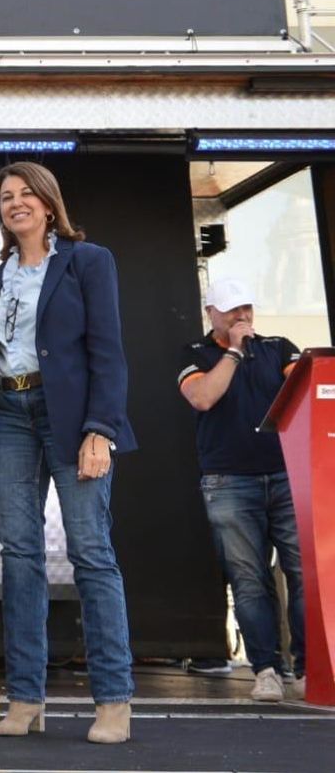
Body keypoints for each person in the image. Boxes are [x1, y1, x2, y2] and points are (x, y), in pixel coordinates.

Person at [0, 162, 137, 744]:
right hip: (9, 416)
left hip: (71, 419)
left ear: (49, 203)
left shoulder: (87, 260)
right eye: (6, 197)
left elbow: (109, 351)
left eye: (26, 194)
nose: (16, 203)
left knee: (91, 552)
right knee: (19, 555)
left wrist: (101, 428)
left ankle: (114, 702)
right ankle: (26, 697)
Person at [178, 277, 305, 702]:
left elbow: (304, 390)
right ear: (211, 313)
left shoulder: (278, 346)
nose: (242, 316)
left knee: (303, 573)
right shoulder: (196, 354)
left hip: (287, 476)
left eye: (246, 307)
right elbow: (202, 398)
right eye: (231, 309)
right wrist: (233, 352)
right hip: (229, 481)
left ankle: (309, 666)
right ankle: (266, 669)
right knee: (248, 580)